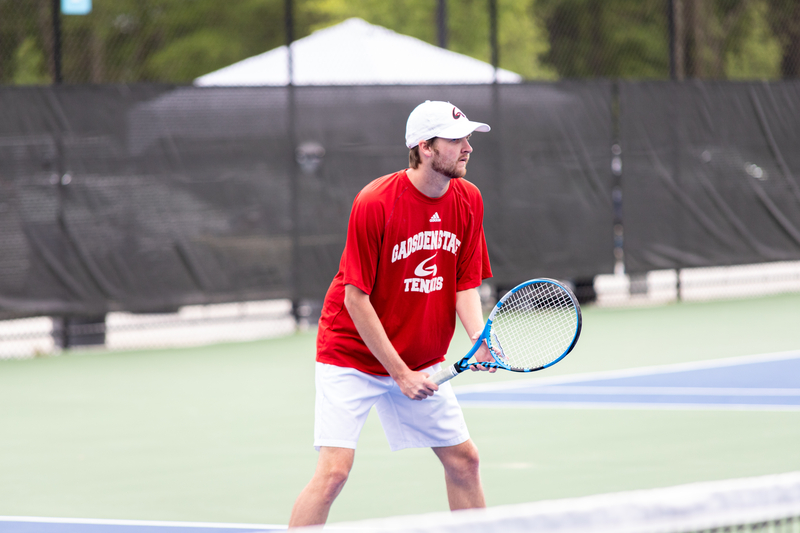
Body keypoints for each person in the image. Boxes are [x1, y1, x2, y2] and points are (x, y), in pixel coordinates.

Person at [288, 100, 496, 528]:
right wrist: (400, 375)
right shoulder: (375, 202)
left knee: (464, 461)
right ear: (424, 148)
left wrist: (480, 337)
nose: (467, 147)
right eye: (456, 140)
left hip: (420, 358)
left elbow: (464, 283)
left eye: (468, 138)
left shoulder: (468, 200)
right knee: (333, 476)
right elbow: (355, 300)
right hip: (351, 356)